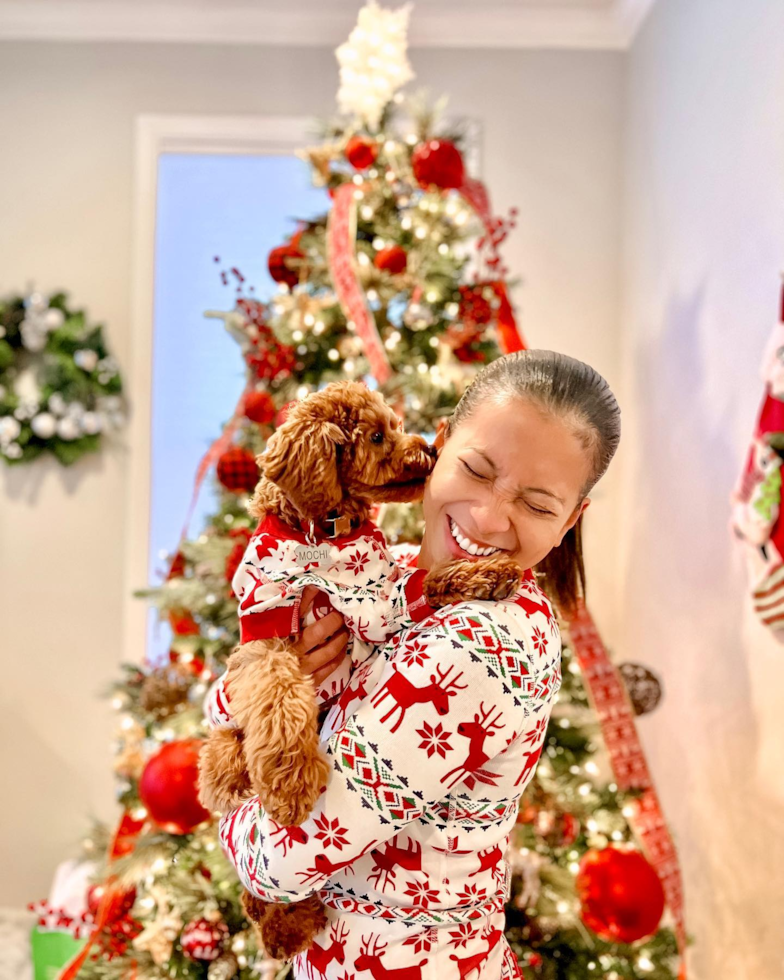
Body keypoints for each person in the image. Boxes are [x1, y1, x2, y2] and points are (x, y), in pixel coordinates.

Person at [213, 350, 621, 979]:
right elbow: (239, 683)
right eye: (477, 470)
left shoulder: (486, 644)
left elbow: (284, 857)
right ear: (437, 444)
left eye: (538, 505)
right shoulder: (387, 569)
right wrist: (267, 680)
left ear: (570, 521)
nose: (488, 518)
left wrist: (234, 810)